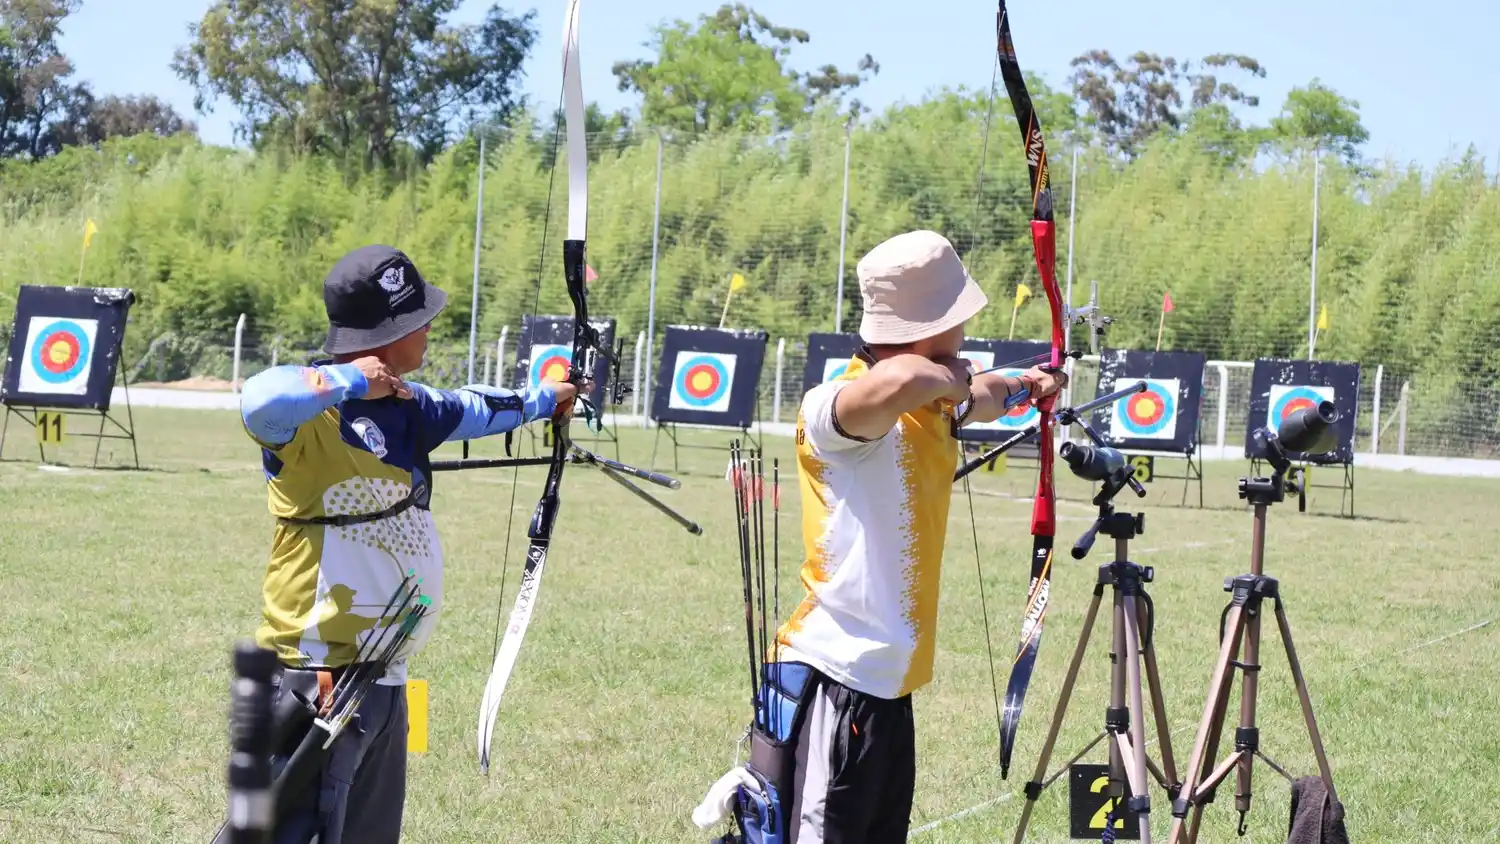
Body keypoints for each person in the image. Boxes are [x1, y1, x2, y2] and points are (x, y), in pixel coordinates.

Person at [236, 244, 585, 844]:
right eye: (415, 318)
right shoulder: (308, 425)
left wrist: (547, 397)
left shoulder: (409, 407)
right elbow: (258, 399)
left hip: (385, 679)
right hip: (316, 681)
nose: (427, 327)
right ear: (385, 334)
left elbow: (477, 407)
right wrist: (350, 378)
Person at [770, 229, 1068, 842]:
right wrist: (951, 379)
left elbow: (978, 394)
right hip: (835, 680)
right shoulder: (838, 406)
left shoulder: (933, 397)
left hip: (887, 689)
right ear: (930, 327)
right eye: (955, 321)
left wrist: (1024, 384)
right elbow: (899, 382)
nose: (964, 334)